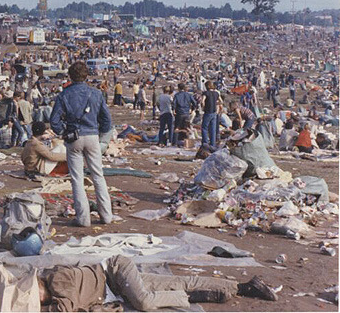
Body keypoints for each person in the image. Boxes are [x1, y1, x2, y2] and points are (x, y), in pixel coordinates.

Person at [38, 255, 277, 312]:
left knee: (145, 302)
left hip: (116, 271)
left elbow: (65, 304)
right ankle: (245, 287)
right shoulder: (57, 299)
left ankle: (192, 298)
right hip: (119, 290)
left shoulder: (56, 279)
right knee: (180, 281)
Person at [50, 61, 113, 227]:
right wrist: (101, 134)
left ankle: (83, 219)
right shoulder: (96, 94)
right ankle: (106, 216)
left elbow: (54, 121)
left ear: (70, 76)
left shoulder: (64, 95)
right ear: (87, 76)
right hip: (92, 136)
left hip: (74, 138)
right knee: (98, 176)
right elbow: (106, 120)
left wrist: (64, 132)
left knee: (77, 179)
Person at [200, 81, 221, 147]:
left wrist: (203, 107)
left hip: (208, 112)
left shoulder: (206, 93)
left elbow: (202, 101)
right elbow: (221, 101)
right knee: (213, 128)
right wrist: (215, 104)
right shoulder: (216, 93)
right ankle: (212, 144)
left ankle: (205, 142)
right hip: (214, 112)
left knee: (204, 127)